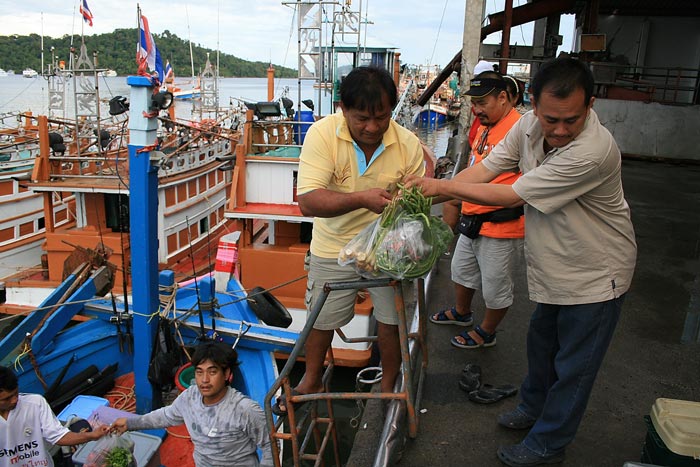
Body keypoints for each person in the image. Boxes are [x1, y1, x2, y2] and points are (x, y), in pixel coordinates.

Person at [405, 57, 637, 466]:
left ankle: (549, 443)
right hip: (557, 265)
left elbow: (512, 195)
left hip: (598, 272)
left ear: (591, 106)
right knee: (542, 346)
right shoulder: (528, 126)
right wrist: (429, 194)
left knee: (574, 367)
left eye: (572, 119)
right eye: (552, 119)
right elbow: (489, 170)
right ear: (533, 102)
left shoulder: (593, 151)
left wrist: (439, 186)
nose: (561, 130)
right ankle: (533, 408)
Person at [273, 66, 425, 413]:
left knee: (391, 317)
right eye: (362, 118)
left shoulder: (408, 145)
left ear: (392, 110)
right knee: (320, 318)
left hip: (387, 248)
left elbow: (419, 201)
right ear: (342, 108)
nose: (372, 127)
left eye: (381, 117)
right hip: (333, 246)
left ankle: (387, 384)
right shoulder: (322, 135)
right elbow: (308, 202)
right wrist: (362, 198)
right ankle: (311, 376)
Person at [428, 71, 524, 350]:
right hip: (472, 219)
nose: (476, 109)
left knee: (495, 286)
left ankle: (487, 331)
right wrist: (452, 199)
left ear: (503, 98)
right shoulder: (484, 127)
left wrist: (440, 190)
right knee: (461, 271)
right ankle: (462, 312)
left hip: (501, 225)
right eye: (474, 103)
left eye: (482, 102)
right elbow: (475, 168)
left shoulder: (519, 129)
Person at [112, 342, 273, 467]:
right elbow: (165, 416)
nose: (204, 380)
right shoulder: (190, 397)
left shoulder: (245, 410)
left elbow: (270, 447)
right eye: (199, 371)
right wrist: (130, 423)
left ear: (227, 374)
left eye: (212, 372)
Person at [0, 366, 109, 467]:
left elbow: (58, 436)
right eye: (6, 399)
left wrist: (93, 435)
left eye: (16, 393)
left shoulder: (36, 403)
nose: (14, 400)